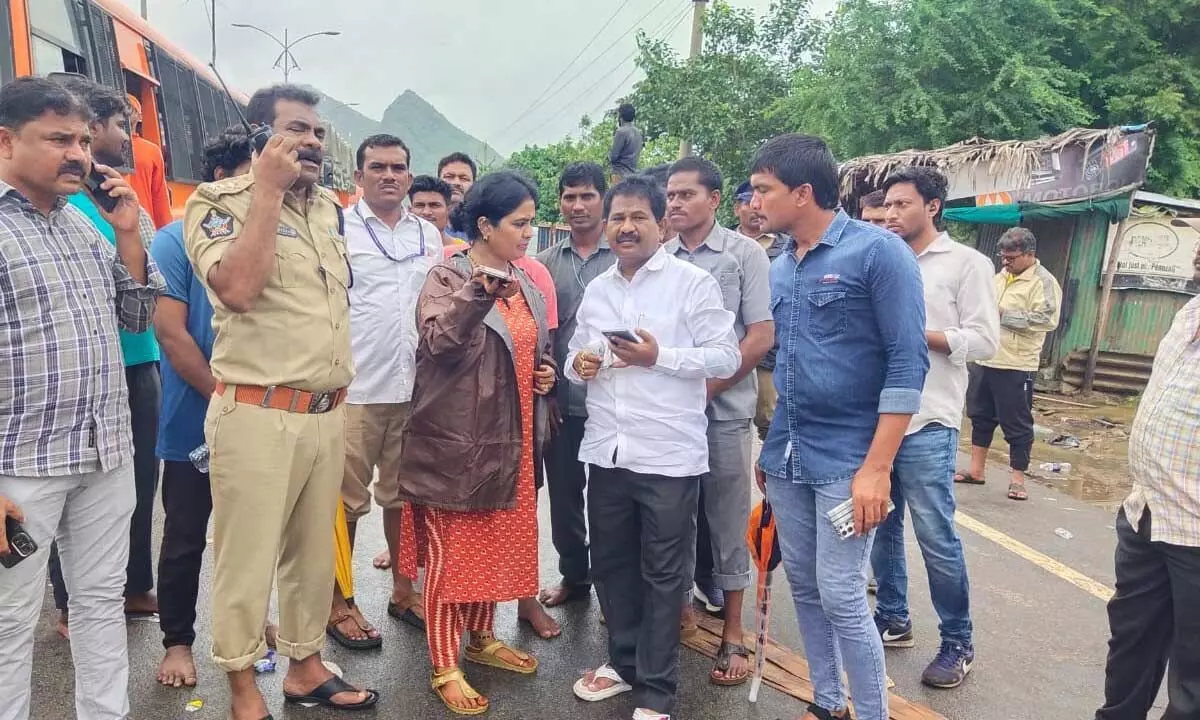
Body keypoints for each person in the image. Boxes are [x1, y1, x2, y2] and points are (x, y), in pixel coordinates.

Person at [183, 84, 377, 717]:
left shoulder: (327, 211)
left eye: (318, 132)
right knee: (248, 559)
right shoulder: (216, 202)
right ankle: (242, 687)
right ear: (261, 137)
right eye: (297, 130)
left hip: (325, 412)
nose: (314, 143)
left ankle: (304, 667)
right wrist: (265, 191)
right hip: (257, 413)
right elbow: (238, 289)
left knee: (312, 556)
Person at [0, 76, 163, 720]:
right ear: (6, 140)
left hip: (104, 454)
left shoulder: (83, 226)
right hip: (21, 464)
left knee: (99, 603)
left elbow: (135, 323)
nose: (79, 155)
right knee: (9, 622)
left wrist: (128, 236)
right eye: (58, 140)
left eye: (82, 141)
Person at [750, 134, 929, 720]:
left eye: (763, 190)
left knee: (843, 592)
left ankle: (872, 712)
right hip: (790, 456)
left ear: (803, 193)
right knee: (804, 584)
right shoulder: (780, 267)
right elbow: (785, 367)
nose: (754, 202)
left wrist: (877, 469)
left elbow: (908, 362)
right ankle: (829, 704)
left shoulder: (879, 254)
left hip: (851, 461)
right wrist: (770, 450)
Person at [570, 175, 740, 720]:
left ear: (662, 223)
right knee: (612, 564)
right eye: (617, 218)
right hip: (608, 451)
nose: (625, 227)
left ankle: (658, 692)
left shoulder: (691, 284)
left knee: (665, 574)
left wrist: (659, 357)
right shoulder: (598, 289)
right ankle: (623, 665)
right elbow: (578, 356)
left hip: (667, 455)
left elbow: (725, 358)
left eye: (638, 217)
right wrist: (583, 364)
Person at [395, 171, 555, 715]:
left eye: (532, 221)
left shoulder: (526, 279)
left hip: (511, 439)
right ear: (485, 225)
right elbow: (439, 341)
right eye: (520, 222)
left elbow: (533, 346)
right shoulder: (448, 276)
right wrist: (477, 292)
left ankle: (483, 639)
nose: (529, 232)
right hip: (458, 444)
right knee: (452, 555)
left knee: (495, 545)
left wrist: (545, 373)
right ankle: (445, 663)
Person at [870, 167, 999, 689]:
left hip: (928, 420)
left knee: (936, 537)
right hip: (877, 420)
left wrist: (917, 336)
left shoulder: (967, 264)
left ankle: (957, 642)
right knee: (878, 523)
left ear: (933, 207)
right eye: (889, 206)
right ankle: (893, 618)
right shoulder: (879, 258)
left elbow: (986, 342)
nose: (893, 215)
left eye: (903, 205)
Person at [48, 74, 161, 632]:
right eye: (123, 127)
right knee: (63, 492)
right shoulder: (61, 205)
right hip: (79, 372)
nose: (128, 139)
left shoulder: (112, 199)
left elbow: (142, 294)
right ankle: (69, 603)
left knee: (137, 483)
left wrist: (131, 229)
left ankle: (133, 586)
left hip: (138, 357)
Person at [151, 126, 253, 688]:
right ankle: (177, 643)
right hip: (195, 416)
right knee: (187, 533)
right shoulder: (173, 240)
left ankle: (248, 633)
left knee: (253, 535)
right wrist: (226, 396)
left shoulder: (270, 241)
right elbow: (171, 333)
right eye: (249, 174)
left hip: (262, 416)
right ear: (220, 178)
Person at [664, 157, 773, 686]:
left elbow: (757, 336)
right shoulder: (658, 257)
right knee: (672, 519)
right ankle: (680, 609)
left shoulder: (744, 254)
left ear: (714, 198)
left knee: (727, 523)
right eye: (671, 196)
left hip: (724, 414)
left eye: (687, 194)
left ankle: (733, 632)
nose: (676, 204)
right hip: (667, 418)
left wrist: (706, 389)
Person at [332, 133, 441, 649]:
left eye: (399, 167)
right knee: (343, 503)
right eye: (378, 167)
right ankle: (339, 600)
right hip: (354, 390)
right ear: (359, 177)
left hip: (416, 391)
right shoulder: (337, 228)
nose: (389, 175)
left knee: (403, 498)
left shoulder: (429, 235)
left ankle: (404, 589)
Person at [1095, 242, 1200, 720]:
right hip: (1147, 512)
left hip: (1196, 530)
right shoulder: (1190, 313)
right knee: (1131, 642)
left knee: (1193, 674)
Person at [535, 162, 615, 608]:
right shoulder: (545, 265)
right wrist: (546, 394)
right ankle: (574, 576)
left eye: (587, 195)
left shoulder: (625, 256)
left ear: (604, 200)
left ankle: (611, 584)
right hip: (561, 402)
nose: (578, 205)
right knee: (565, 499)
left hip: (613, 404)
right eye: (569, 196)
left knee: (609, 502)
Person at [955, 227, 1061, 501]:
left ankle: (1017, 480)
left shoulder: (1043, 282)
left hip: (1016, 363)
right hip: (985, 358)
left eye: (1011, 257)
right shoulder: (998, 278)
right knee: (980, 416)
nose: (1006, 262)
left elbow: (1047, 320)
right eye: (1003, 257)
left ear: (1029, 254)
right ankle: (976, 470)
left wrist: (1003, 315)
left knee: (1017, 423)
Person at [732, 180, 789, 442]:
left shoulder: (788, 248)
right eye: (746, 202)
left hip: (770, 353)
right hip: (729, 349)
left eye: (759, 200)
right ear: (736, 209)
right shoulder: (723, 246)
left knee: (771, 420)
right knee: (728, 418)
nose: (754, 208)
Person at [124, 93, 172, 228]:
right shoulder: (105, 145)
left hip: (144, 224)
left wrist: (165, 231)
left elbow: (159, 197)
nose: (126, 111)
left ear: (140, 117)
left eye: (131, 108)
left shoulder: (152, 150)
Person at [410, 174, 462, 250]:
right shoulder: (398, 248)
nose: (426, 212)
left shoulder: (464, 251)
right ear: (410, 210)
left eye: (434, 205)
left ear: (448, 210)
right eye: (419, 205)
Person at [439, 151, 477, 240]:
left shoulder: (481, 226)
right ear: (438, 181)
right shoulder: (424, 220)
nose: (456, 183)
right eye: (449, 177)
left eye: (464, 178)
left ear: (474, 184)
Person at [609, 102, 644, 183]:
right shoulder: (638, 132)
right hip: (633, 175)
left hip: (620, 174)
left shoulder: (621, 132)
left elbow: (613, 157)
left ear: (620, 116)